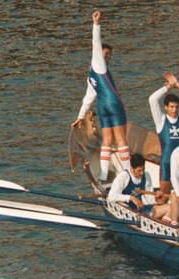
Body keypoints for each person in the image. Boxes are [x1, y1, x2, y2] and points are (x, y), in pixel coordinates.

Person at [71, 10, 130, 182]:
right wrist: (96, 24)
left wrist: (80, 117)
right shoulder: (99, 64)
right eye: (105, 54)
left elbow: (88, 98)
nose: (107, 57)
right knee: (120, 139)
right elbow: (95, 43)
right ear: (99, 54)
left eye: (109, 55)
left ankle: (104, 174)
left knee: (108, 140)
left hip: (102, 106)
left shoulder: (91, 75)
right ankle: (127, 174)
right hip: (113, 103)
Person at [149, 72, 179, 196]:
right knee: (164, 196)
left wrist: (178, 85)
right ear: (165, 107)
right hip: (166, 163)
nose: (174, 110)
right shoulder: (160, 121)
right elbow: (152, 99)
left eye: (176, 107)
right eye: (171, 107)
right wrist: (168, 87)